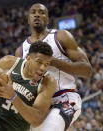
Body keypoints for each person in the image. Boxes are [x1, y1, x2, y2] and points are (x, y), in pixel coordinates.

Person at [15, 3, 92, 131]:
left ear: (48, 18)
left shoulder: (61, 36)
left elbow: (87, 70)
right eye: (33, 12)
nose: (37, 15)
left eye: (41, 12)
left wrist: (52, 61)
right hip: (39, 106)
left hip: (64, 98)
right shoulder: (21, 51)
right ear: (28, 19)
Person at [0, 41, 57, 131]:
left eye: (46, 64)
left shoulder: (48, 82)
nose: (42, 68)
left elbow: (37, 119)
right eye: (39, 62)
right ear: (28, 58)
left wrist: (12, 96)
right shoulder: (9, 62)